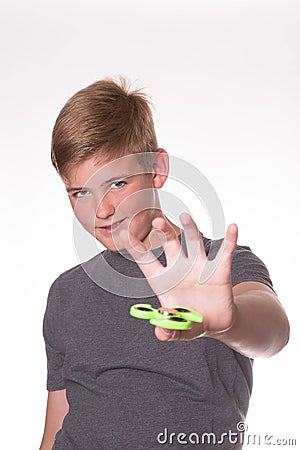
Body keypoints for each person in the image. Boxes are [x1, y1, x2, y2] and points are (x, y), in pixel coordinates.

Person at [39, 77, 290, 450]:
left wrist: (228, 321)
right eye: (81, 192)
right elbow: (55, 427)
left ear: (156, 169)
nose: (103, 210)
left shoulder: (216, 266)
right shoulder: (66, 292)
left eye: (118, 183)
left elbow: (274, 332)